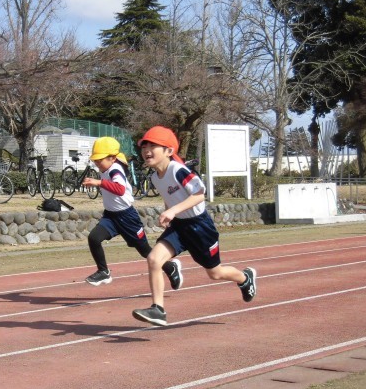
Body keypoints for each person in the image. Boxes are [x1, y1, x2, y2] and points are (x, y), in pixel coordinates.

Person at [132, 126, 257, 326]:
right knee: (154, 259)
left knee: (215, 273)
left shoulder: (178, 170)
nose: (146, 150)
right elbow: (170, 197)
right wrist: (169, 214)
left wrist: (173, 211)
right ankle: (158, 309)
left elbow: (199, 194)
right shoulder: (155, 177)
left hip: (200, 227)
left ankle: (244, 278)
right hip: (179, 227)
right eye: (144, 146)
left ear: (169, 151)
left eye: (152, 146)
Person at [82, 136, 182, 290]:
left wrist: (99, 182)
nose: (96, 163)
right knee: (94, 238)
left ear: (112, 158)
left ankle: (170, 268)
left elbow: (120, 189)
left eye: (100, 159)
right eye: (95, 160)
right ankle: (103, 271)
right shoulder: (106, 168)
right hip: (111, 216)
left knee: (145, 251)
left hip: (127, 217)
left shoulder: (115, 169)